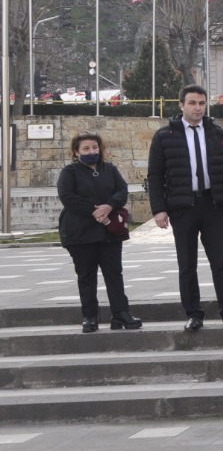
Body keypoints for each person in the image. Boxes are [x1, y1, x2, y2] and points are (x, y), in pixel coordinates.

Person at [147, 85, 223, 331]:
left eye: (201, 103)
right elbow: (155, 175)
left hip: (212, 205)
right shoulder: (164, 136)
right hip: (182, 208)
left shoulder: (216, 133)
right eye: (192, 103)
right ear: (181, 105)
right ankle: (193, 314)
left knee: (221, 262)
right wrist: (159, 209)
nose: (197, 108)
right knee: (187, 264)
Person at [57, 133, 137, 332]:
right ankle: (90, 317)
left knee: (114, 273)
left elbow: (122, 190)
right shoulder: (70, 171)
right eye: (86, 148)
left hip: (108, 232)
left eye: (94, 147)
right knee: (86, 276)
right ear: (76, 152)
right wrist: (94, 211)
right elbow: (68, 197)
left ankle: (121, 314)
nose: (91, 151)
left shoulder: (109, 169)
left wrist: (109, 206)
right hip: (80, 233)